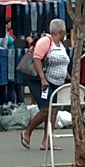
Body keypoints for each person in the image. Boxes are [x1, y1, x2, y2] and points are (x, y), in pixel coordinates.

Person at [21, 18, 73, 151]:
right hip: (43, 82)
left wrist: (69, 77)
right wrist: (43, 78)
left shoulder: (60, 44)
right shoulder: (46, 41)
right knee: (45, 110)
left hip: (56, 82)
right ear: (61, 31)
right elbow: (37, 58)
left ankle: (47, 141)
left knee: (54, 112)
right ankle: (27, 132)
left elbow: (62, 63)